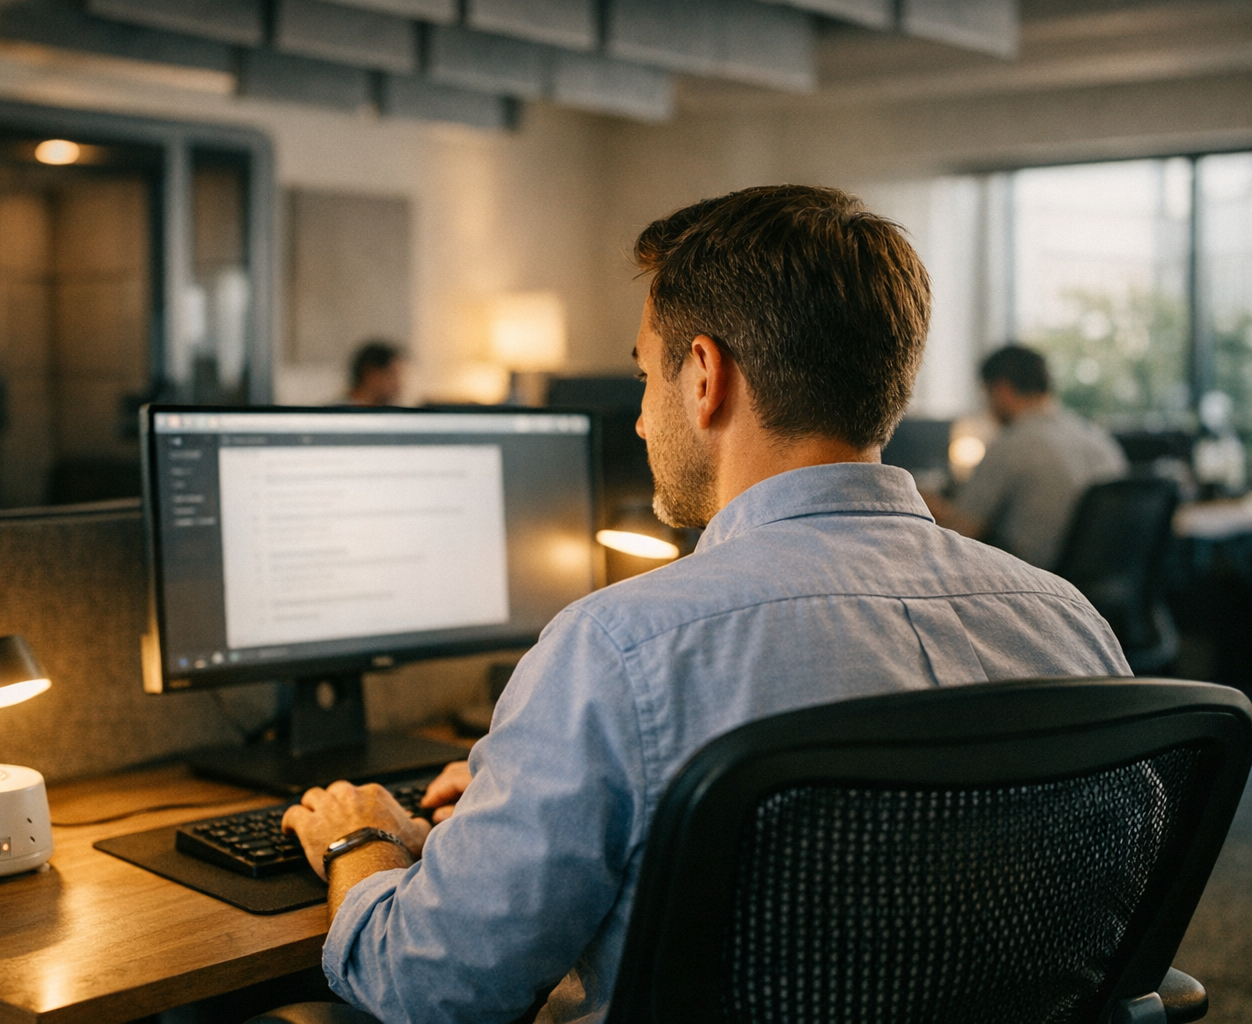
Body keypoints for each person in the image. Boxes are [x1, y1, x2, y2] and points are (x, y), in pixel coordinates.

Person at [280, 187, 1129, 1024]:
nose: (641, 422)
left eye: (644, 375)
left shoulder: (618, 650)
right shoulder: (1068, 624)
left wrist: (362, 840)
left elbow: (430, 990)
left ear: (704, 376)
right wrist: (540, 791)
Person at [923, 345, 1127, 570]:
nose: (987, 407)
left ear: (1001, 389)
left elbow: (960, 532)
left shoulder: (1011, 444)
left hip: (1030, 579)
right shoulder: (1100, 440)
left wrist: (922, 504)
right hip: (1101, 582)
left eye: (986, 395)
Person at [346, 339, 407, 406]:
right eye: (392, 375)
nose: (398, 385)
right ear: (371, 373)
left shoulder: (387, 410)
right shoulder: (340, 411)